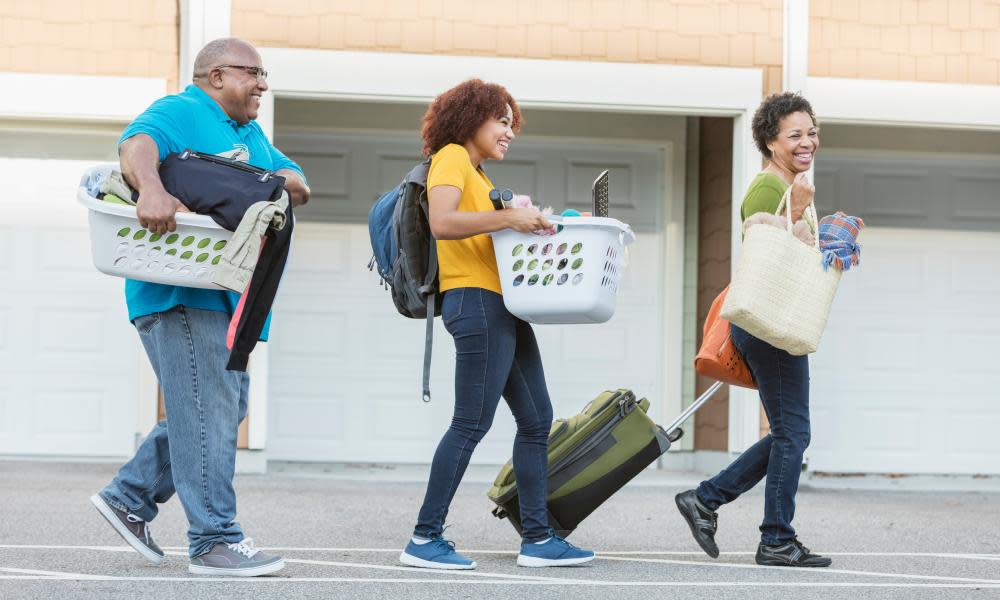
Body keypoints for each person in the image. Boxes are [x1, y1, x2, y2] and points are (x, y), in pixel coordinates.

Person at [89, 37, 310, 577]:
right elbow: (136, 143)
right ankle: (214, 539)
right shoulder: (183, 109)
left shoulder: (250, 133)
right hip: (180, 291)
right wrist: (153, 189)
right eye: (254, 73)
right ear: (216, 75)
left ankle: (129, 496)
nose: (263, 84)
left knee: (223, 411)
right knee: (208, 412)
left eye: (265, 75)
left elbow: (297, 185)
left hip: (228, 296)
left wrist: (232, 181)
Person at [398, 79, 595, 570]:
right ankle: (424, 538)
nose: (510, 132)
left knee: (536, 419)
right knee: (471, 422)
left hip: (504, 305)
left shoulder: (480, 176)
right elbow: (444, 222)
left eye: (513, 124)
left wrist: (541, 222)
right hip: (476, 304)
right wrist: (507, 219)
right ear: (471, 120)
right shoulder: (450, 159)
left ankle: (537, 538)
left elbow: (490, 235)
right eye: (501, 121)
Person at [675, 92, 832, 568]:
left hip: (774, 321)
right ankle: (775, 538)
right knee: (793, 434)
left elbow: (797, 252)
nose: (807, 142)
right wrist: (796, 208)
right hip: (767, 323)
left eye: (811, 132)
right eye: (795, 135)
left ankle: (707, 499)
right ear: (770, 141)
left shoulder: (790, 187)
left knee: (791, 433)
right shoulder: (770, 189)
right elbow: (762, 248)